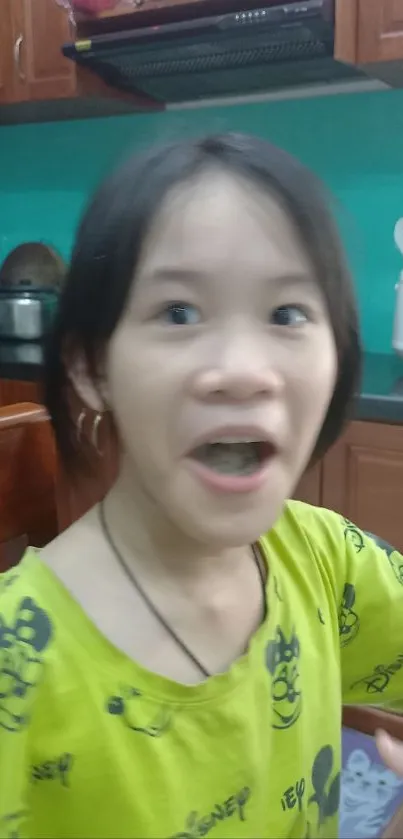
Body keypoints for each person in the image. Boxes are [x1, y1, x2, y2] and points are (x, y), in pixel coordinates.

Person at [1, 132, 402, 839]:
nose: (242, 370)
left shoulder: (328, 563)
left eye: (286, 314)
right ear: (92, 368)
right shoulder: (18, 665)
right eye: (178, 312)